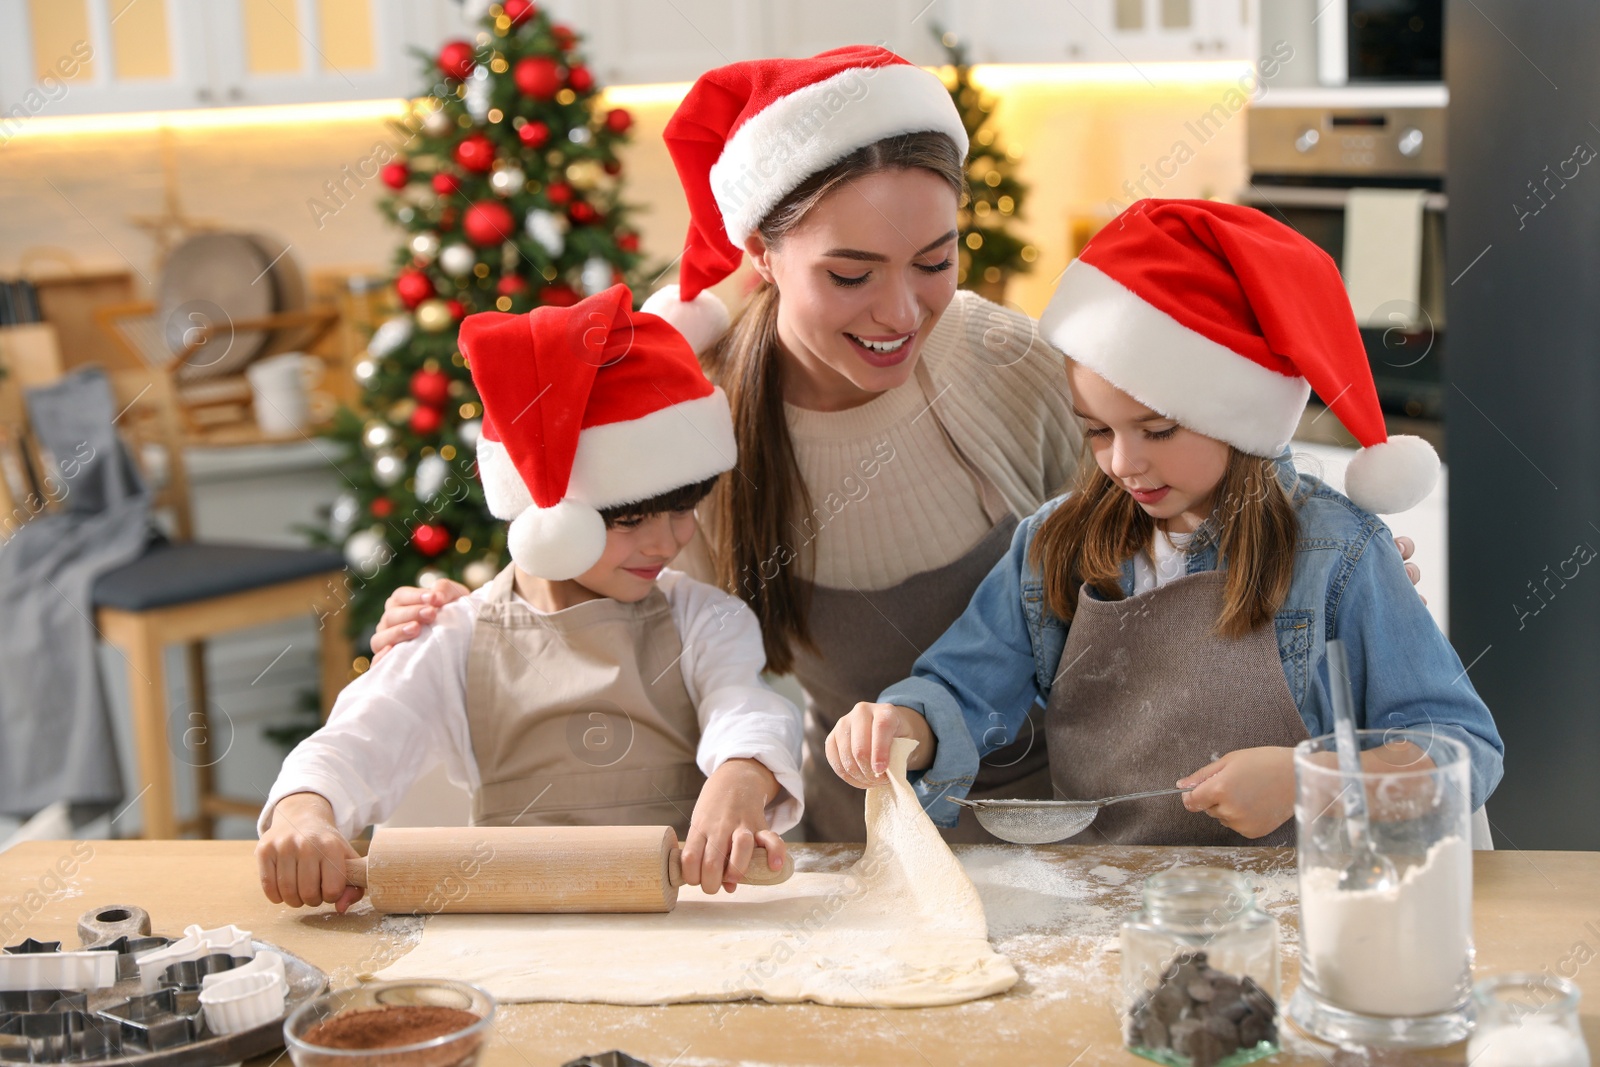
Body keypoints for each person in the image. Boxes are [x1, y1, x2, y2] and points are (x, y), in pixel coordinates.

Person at [368, 47, 1425, 844]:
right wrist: (455, 621)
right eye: (849, 272)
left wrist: (1303, 551)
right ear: (763, 254)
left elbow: (1162, 505)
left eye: (933, 259)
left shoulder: (1010, 364)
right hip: (858, 828)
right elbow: (583, 567)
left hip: (1084, 827)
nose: (901, 311)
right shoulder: (692, 423)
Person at [825, 199, 1503, 846]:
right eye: (1096, 430)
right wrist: (902, 722)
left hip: (1296, 918)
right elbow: (961, 688)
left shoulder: (1339, 554)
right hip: (1109, 909)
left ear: (1235, 413)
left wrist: (1311, 780)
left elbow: (1462, 748)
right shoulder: (1054, 546)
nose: (1123, 463)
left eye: (1158, 429)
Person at [257, 285, 803, 911]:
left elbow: (747, 709)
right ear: (548, 517)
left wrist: (741, 775)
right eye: (629, 521)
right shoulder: (453, 634)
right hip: (516, 927)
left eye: (685, 509)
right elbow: (358, 740)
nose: (670, 541)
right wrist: (304, 813)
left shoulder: (706, 621)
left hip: (683, 919)